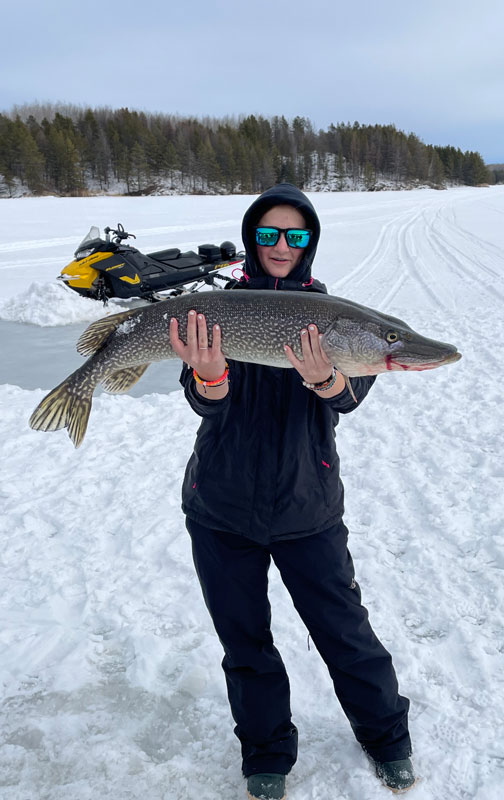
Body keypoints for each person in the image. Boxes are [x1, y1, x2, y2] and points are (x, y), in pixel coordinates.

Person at [169, 183, 415, 799]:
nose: (282, 245)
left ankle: (387, 738)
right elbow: (203, 401)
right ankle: (267, 755)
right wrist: (209, 375)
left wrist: (328, 379)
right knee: (245, 641)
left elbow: (351, 397)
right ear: (254, 237)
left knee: (344, 631)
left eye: (296, 235)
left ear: (310, 243)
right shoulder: (214, 311)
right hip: (221, 507)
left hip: (308, 507)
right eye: (271, 233)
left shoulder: (336, 320)